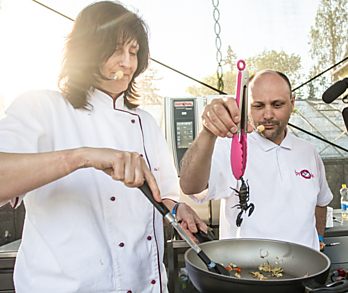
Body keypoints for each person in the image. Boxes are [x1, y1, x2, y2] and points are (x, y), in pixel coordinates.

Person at [0, 1, 206, 292]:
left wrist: (179, 208)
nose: (127, 62)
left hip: (144, 284)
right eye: (115, 50)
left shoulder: (146, 122)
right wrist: (82, 156)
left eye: (133, 52)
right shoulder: (41, 107)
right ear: (86, 50)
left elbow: (165, 196)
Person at [179, 69, 333, 251]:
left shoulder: (308, 151)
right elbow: (190, 186)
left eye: (277, 105)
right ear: (246, 106)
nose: (268, 115)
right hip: (248, 273)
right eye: (258, 106)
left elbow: (321, 202)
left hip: (304, 274)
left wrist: (319, 238)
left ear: (292, 103)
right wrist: (207, 132)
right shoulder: (231, 147)